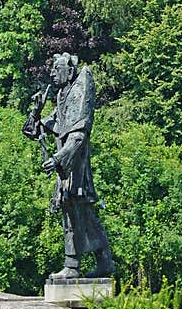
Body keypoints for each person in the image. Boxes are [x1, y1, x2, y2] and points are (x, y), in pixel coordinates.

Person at [23, 52, 115, 279]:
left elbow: (77, 137)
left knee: (76, 214)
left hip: (77, 170)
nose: (52, 73)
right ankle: (104, 261)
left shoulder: (78, 97)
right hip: (67, 172)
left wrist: (57, 159)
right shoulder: (62, 98)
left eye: (57, 68)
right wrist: (36, 110)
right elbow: (33, 131)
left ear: (70, 71)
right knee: (82, 215)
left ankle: (73, 266)